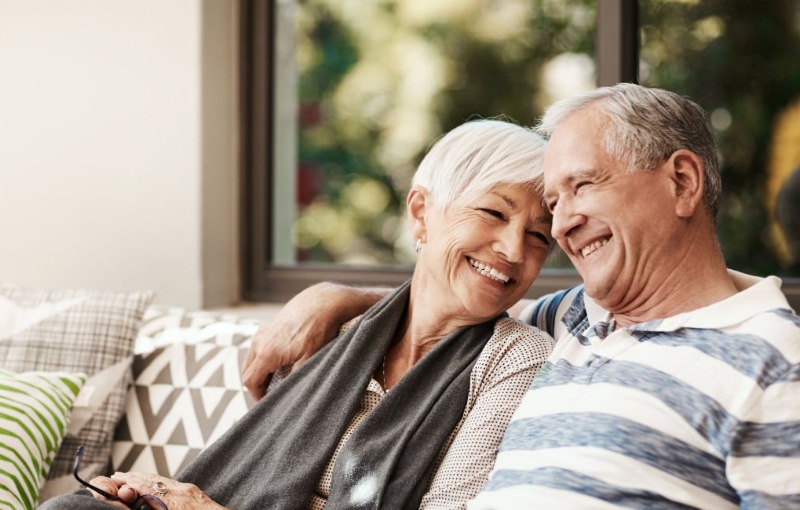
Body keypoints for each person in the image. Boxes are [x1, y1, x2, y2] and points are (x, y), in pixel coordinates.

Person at [241, 83, 800, 509]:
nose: (561, 227)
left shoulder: (774, 362)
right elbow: (454, 296)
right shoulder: (574, 318)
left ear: (681, 182)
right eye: (555, 204)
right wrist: (334, 296)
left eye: (582, 186)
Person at [41, 119, 557, 510]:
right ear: (421, 212)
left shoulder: (516, 359)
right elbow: (250, 477)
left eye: (539, 236)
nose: (513, 249)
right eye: (493, 212)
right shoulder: (332, 332)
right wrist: (150, 493)